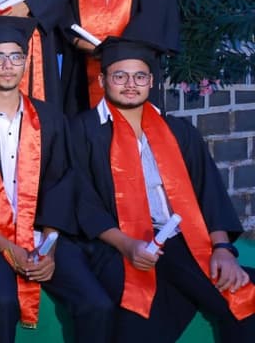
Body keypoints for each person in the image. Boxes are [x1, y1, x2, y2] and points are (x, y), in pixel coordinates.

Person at [71, 37, 255, 342]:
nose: (131, 85)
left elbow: (209, 192)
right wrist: (128, 246)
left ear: (151, 81)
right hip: (118, 243)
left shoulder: (179, 130)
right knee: (138, 319)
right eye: (120, 76)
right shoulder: (82, 131)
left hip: (184, 238)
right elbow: (83, 202)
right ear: (102, 80)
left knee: (241, 299)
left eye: (140, 76)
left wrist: (223, 250)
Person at [0, 16, 111, 342]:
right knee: (2, 303)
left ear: (26, 62)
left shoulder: (50, 118)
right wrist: (7, 247)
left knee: (96, 304)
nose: (8, 66)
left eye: (16, 56)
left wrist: (50, 246)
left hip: (42, 235)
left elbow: (61, 183)